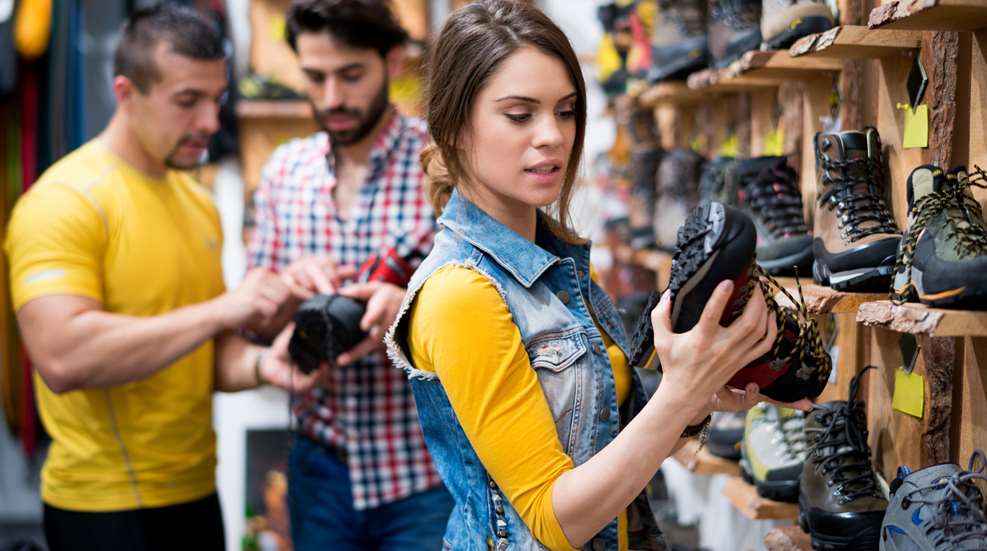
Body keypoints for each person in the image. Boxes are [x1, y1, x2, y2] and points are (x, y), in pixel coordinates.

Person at [384, 2, 812, 550]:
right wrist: (677, 397)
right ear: (453, 127)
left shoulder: (554, 263)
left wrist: (700, 392)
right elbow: (555, 520)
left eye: (565, 111)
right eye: (520, 115)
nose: (553, 136)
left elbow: (594, 438)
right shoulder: (461, 293)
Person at [4, 6, 317, 551]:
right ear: (126, 93)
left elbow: (203, 353)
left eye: (215, 99)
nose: (210, 123)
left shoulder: (197, 202)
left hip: (196, 495)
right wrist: (227, 308)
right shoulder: (63, 201)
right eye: (186, 101)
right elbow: (64, 357)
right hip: (101, 506)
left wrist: (268, 363)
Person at [244, 1, 451, 549]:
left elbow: (503, 302)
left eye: (351, 75)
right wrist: (288, 287)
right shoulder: (284, 172)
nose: (332, 97)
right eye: (314, 77)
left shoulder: (446, 161)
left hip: (428, 465)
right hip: (321, 468)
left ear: (392, 61)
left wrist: (408, 306)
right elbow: (256, 328)